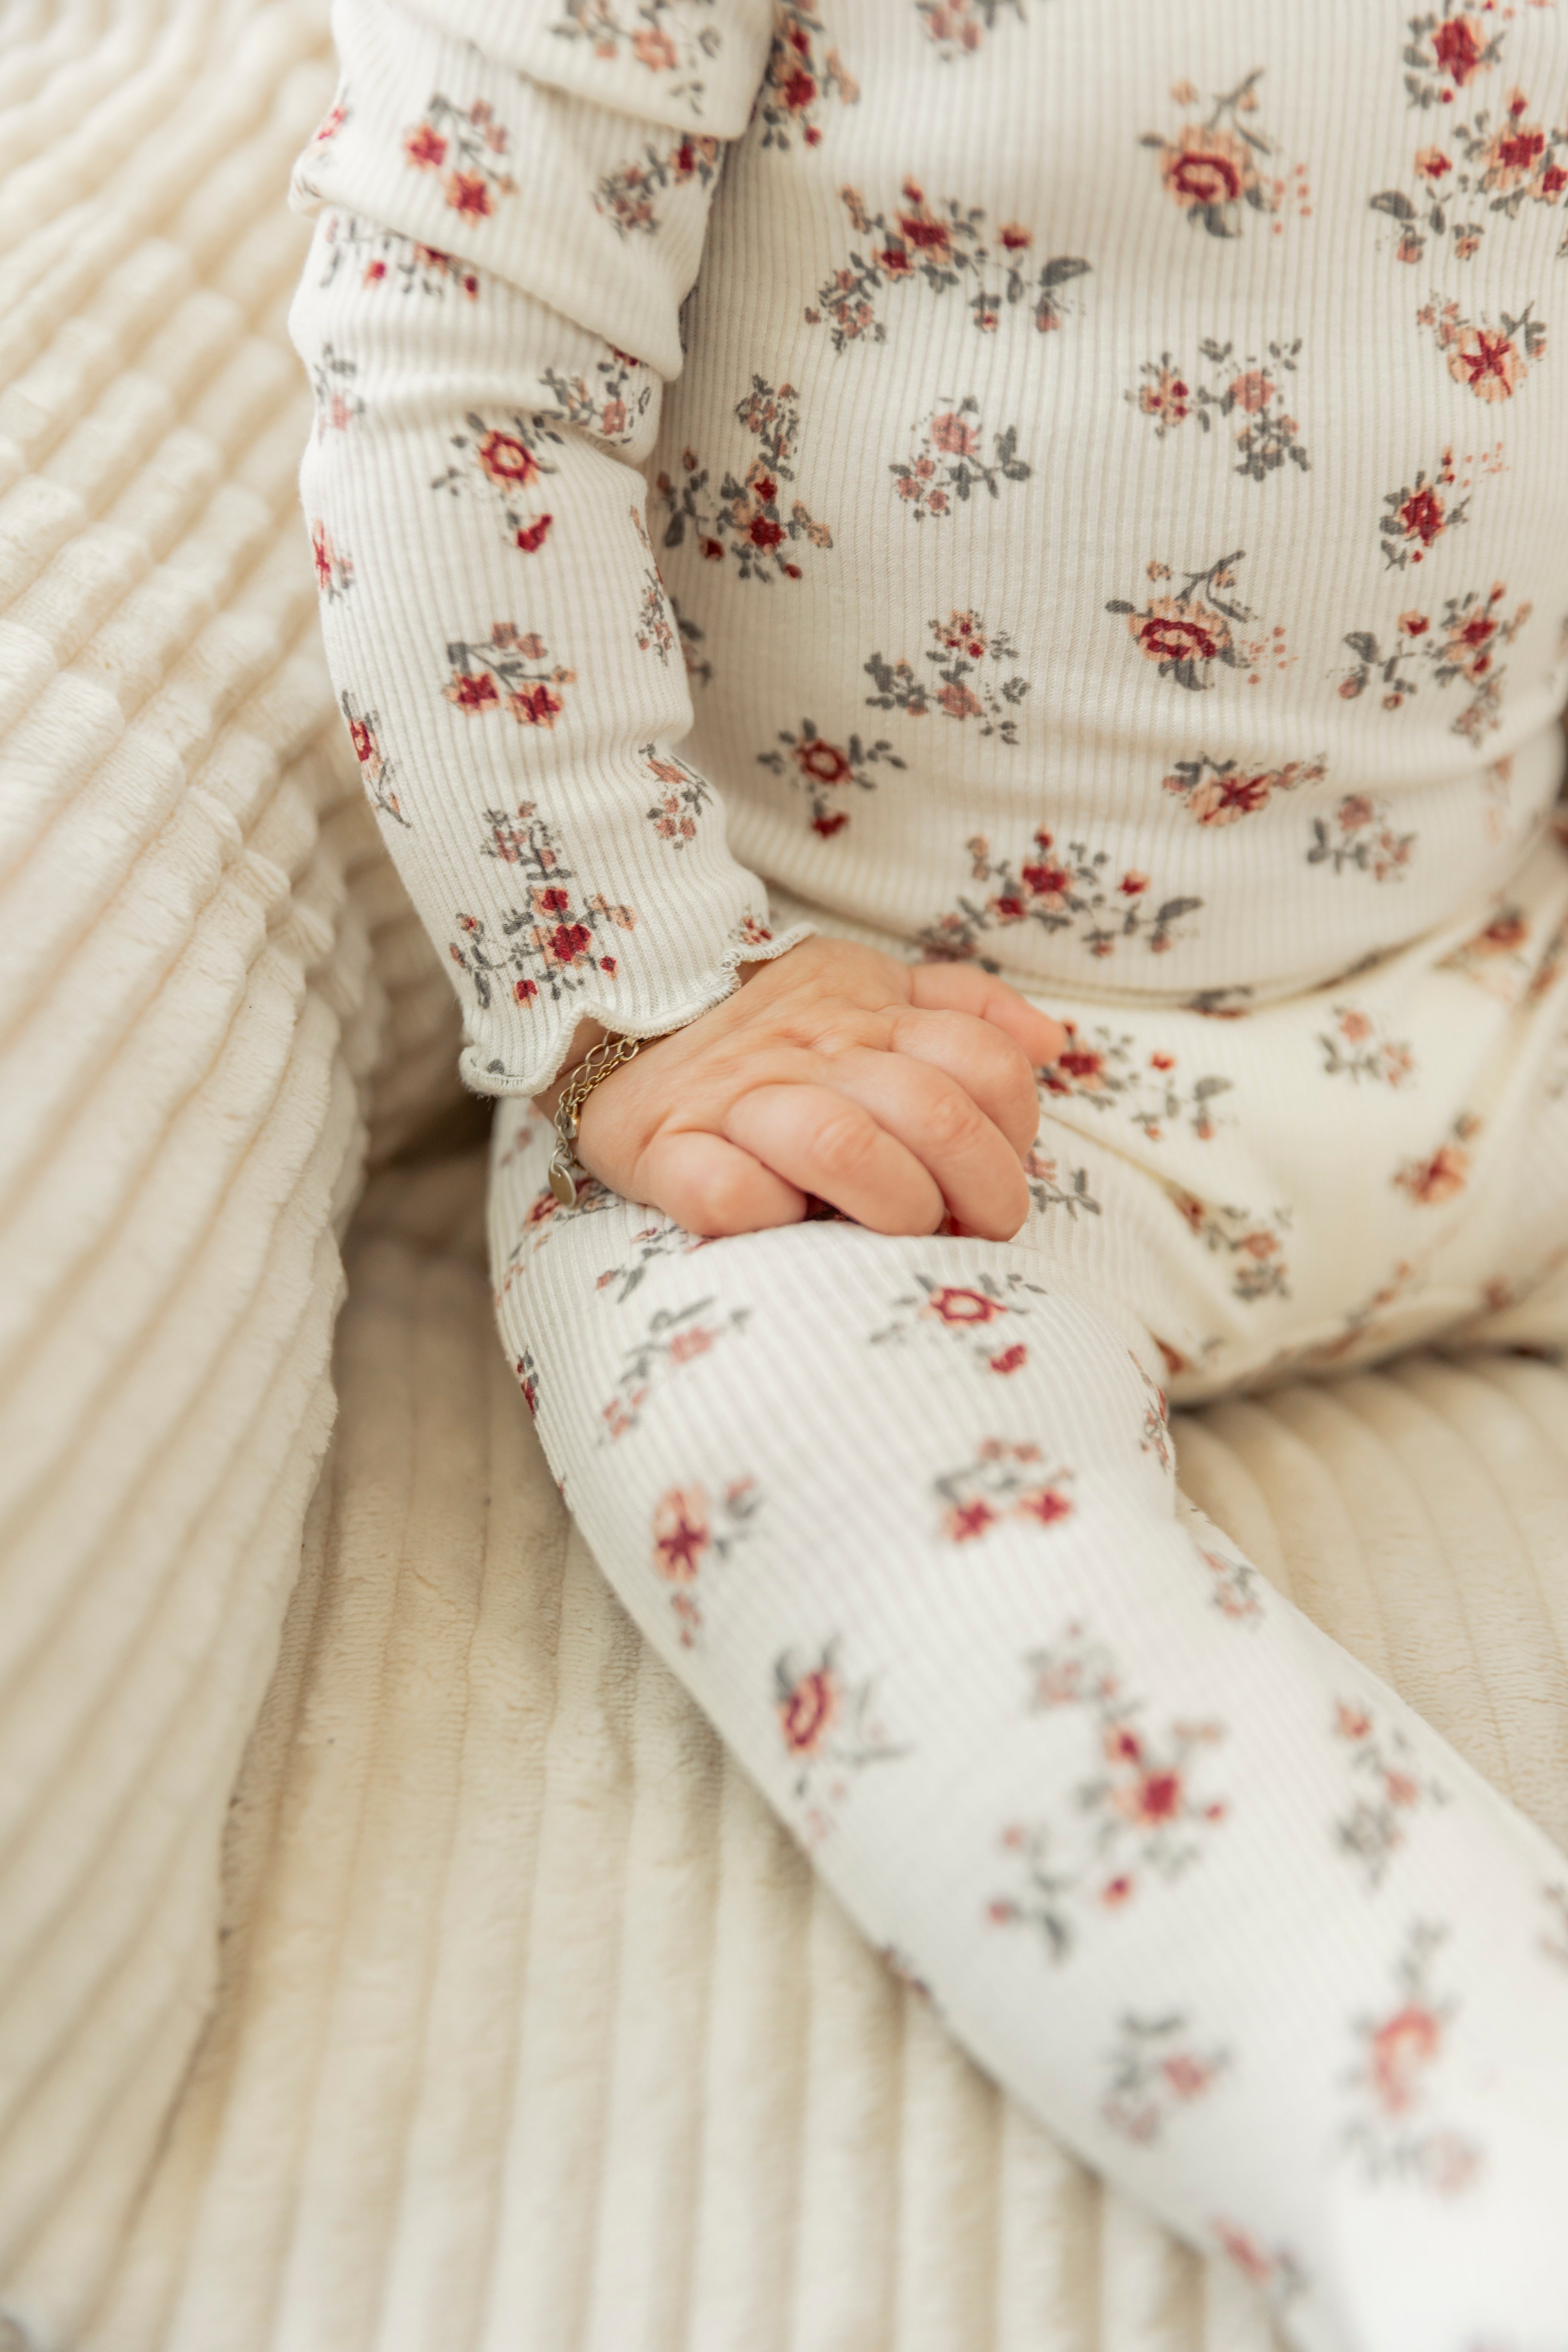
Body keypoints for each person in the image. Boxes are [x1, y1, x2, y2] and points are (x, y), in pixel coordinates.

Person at [287, 3, 1568, 2341]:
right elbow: (459, 349)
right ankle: (1471, 2147)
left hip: (1506, 963)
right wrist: (641, 992)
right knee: (827, 1451)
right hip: (882, 1058)